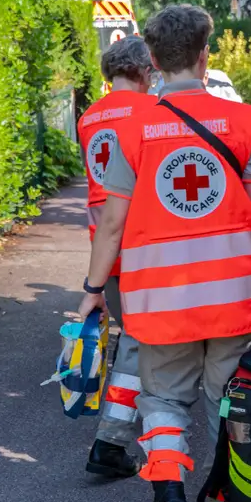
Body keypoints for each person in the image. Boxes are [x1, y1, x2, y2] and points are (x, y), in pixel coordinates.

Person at [78, 4, 251, 502]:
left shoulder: (133, 129)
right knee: (229, 402)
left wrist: (92, 291)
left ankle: (170, 493)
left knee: (163, 400)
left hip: (159, 304)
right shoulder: (244, 121)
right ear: (205, 55)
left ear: (152, 58)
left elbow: (111, 224)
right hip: (235, 301)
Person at [77, 36, 157, 479]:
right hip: (144, 245)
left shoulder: (89, 117)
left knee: (133, 336)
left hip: (104, 249)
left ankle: (124, 426)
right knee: (138, 343)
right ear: (145, 70)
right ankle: (113, 438)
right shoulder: (152, 112)